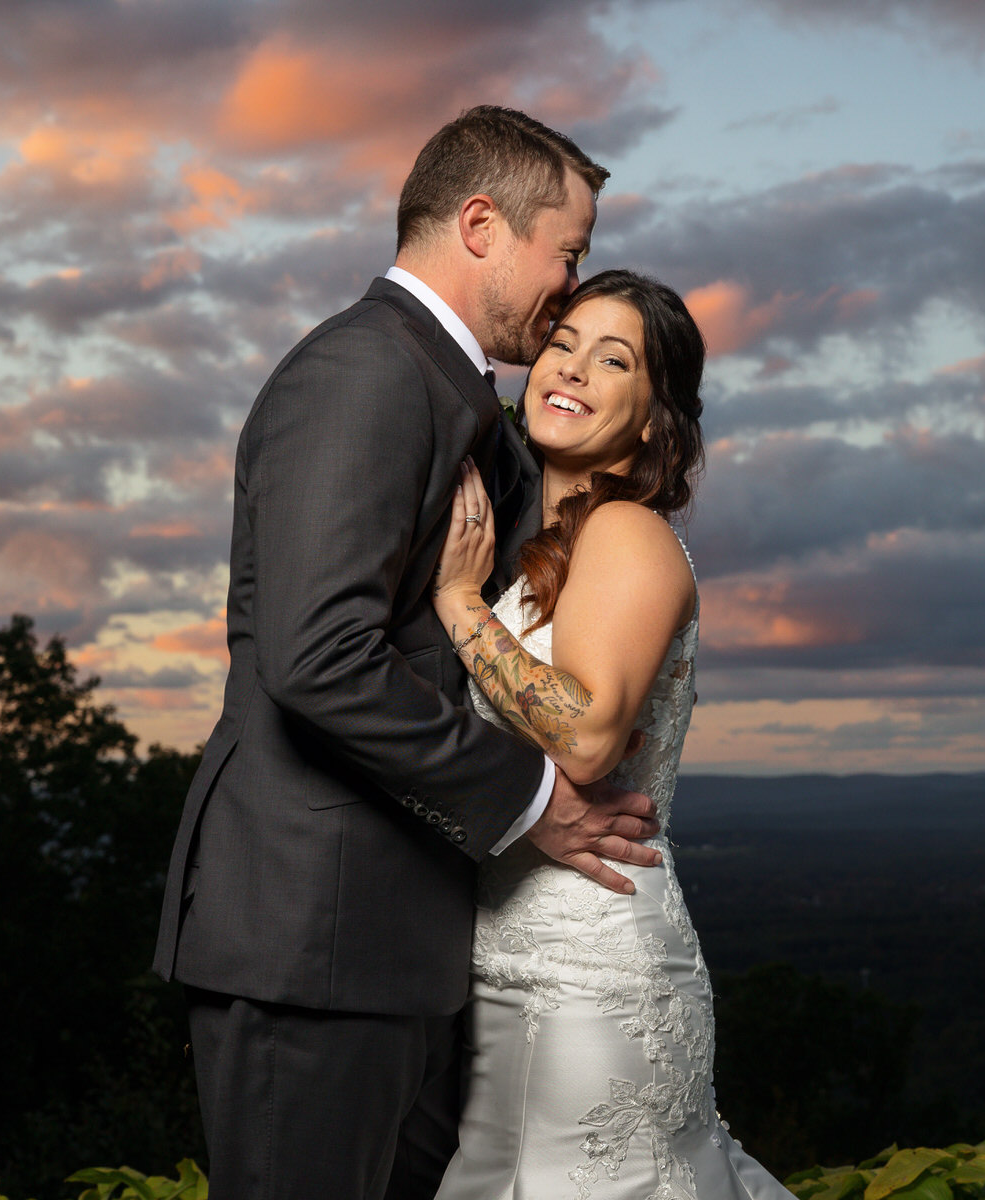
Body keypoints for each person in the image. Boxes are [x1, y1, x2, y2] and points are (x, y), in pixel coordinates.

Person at [151, 107, 665, 1200]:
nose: (570, 284)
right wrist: (535, 800)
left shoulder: (456, 397)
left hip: (392, 941)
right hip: (312, 939)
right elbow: (317, 655)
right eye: (565, 252)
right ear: (482, 224)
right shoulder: (364, 375)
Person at [428, 269, 794, 1200]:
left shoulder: (628, 532)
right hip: (516, 965)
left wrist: (460, 607)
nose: (574, 368)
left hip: (590, 980)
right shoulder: (547, 544)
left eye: (614, 359)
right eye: (564, 343)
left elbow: (588, 738)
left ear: (653, 421)